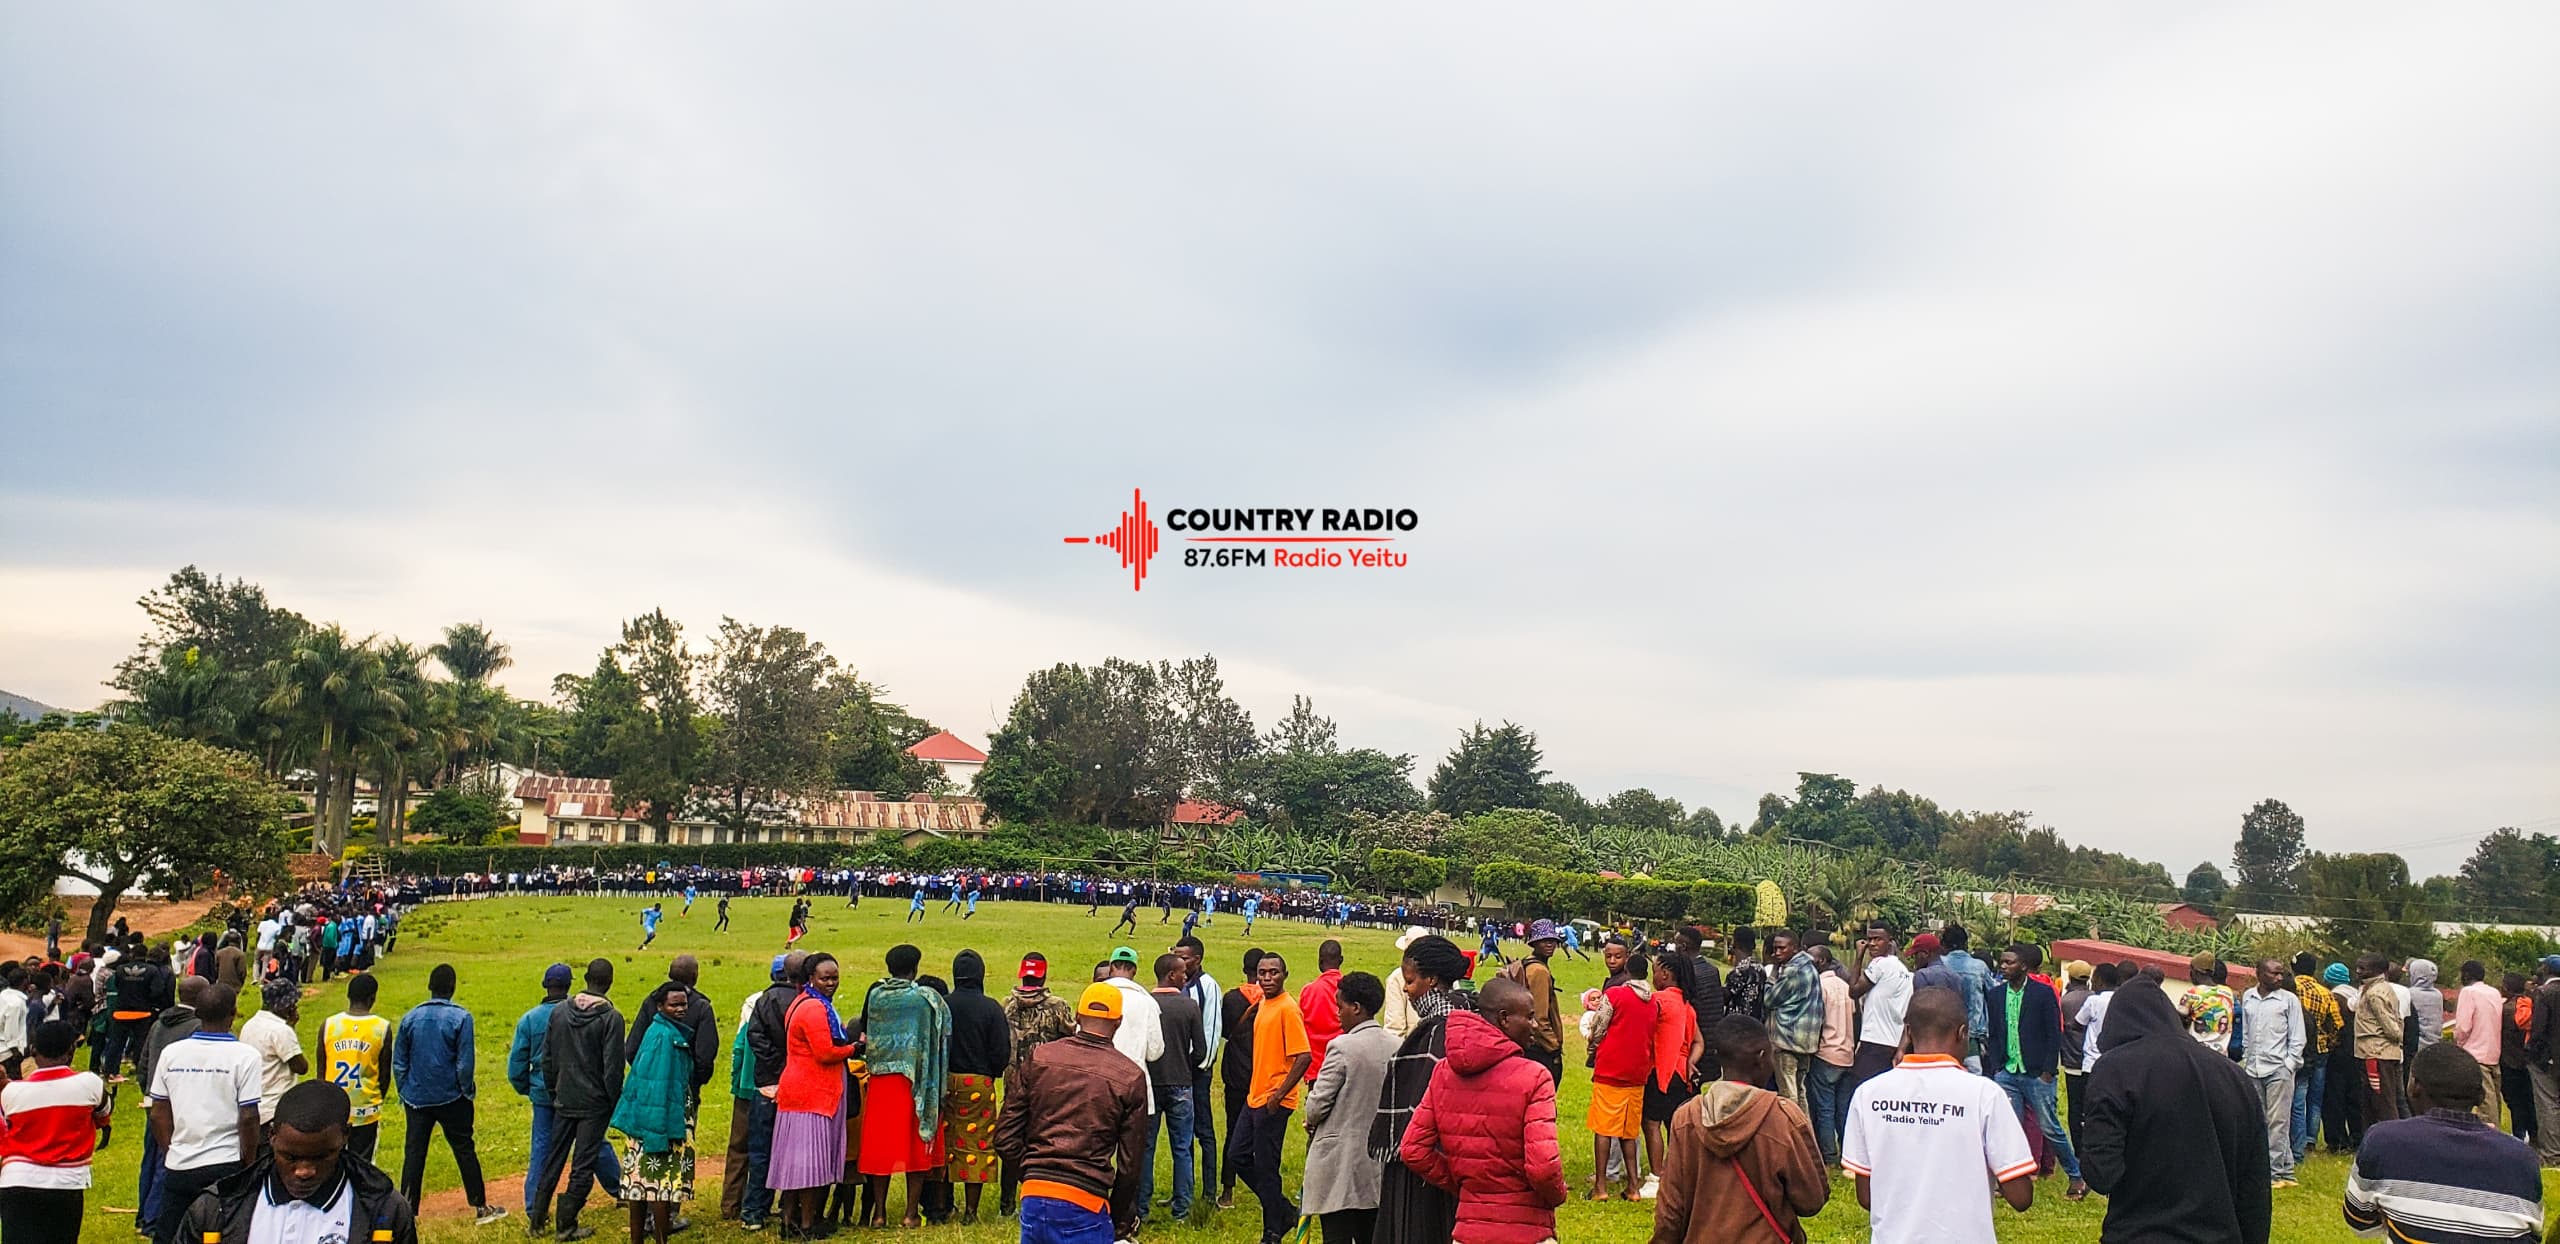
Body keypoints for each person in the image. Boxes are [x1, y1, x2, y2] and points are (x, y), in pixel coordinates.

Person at [2080, 976, 2271, 1244]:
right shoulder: (2233, 1075)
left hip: (2140, 1233)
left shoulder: (2115, 1068)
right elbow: (2255, 1185)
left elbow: (2102, 1174)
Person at [1843, 989, 2034, 1244]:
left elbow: (1867, 1197)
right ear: (1962, 1032)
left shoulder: (1868, 1094)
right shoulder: (1984, 1095)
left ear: (1908, 1032)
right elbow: (2020, 1197)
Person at [1399, 977, 1566, 1244]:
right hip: (1527, 1230)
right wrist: (1557, 1195)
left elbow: (1413, 1150)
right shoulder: (1534, 1077)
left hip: (1469, 1231)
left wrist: (1463, 1183)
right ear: (1504, 1018)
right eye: (1530, 1017)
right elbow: (1543, 1167)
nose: (1535, 1025)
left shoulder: (1443, 1071)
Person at [992, 982, 1152, 1244]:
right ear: (1118, 1023)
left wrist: (1034, 1175)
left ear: (1076, 1017)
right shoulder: (1129, 1077)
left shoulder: (1040, 1058)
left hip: (1034, 1197)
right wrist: (1120, 1215)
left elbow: (1005, 1138)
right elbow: (1130, 1164)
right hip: (1086, 1200)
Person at [1648, 1013, 1827, 1244]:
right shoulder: (1783, 1118)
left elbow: (1670, 1212)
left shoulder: (1686, 1119)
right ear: (1762, 1057)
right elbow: (1811, 1200)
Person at [173, 1081, 418, 1244]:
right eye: (290, 1157)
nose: (304, 1171)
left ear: (346, 1136)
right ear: (271, 1136)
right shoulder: (215, 1210)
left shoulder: (386, 1212)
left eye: (322, 1157)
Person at [2344, 1042, 2544, 1243]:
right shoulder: (2522, 1158)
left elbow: (2360, 1223)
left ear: (2414, 1087)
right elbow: (2531, 1234)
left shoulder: (2383, 1141)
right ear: (2481, 1096)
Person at [1372, 935, 1468, 1244]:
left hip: (1424, 1163)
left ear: (1431, 979)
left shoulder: (1438, 1030)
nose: (1406, 988)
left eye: (1411, 981)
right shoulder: (1461, 1020)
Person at [146, 983, 261, 1244]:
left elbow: (158, 1114)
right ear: (233, 1014)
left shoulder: (171, 1054)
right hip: (227, 1164)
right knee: (223, 1232)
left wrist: (170, 1151)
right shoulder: (246, 1056)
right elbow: (249, 1117)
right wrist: (248, 1163)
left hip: (180, 1164)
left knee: (169, 1234)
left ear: (197, 1013)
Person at [513, 962, 626, 1225]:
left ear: (585, 979)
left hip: (563, 1098)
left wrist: (554, 1091)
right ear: (609, 982)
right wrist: (611, 1101)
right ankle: (566, 1224)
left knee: (552, 1159)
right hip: (593, 1103)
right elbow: (613, 1068)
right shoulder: (611, 1018)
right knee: (583, 1165)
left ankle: (537, 1220)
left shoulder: (560, 1012)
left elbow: (548, 1060)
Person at [391, 963, 502, 1224]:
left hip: (416, 1097)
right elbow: (465, 1063)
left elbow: (399, 1061)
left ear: (430, 987)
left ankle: (408, 1210)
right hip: (452, 1096)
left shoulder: (410, 1018)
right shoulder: (461, 1018)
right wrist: (466, 1090)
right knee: (464, 1149)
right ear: (452, 988)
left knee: (414, 1153)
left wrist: (405, 1089)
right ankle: (480, 1206)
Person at [859, 944, 951, 1229]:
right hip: (915, 1081)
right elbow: (942, 1032)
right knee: (915, 1144)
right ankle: (911, 1214)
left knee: (880, 1145)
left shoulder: (875, 995)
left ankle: (879, 1214)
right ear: (914, 969)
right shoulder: (923, 999)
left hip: (881, 1080)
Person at [1302, 971, 1395, 1244]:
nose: (1337, 1013)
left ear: (1356, 1008)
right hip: (1378, 1164)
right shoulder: (1397, 1046)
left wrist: (1310, 1115)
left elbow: (1317, 1107)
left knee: (1336, 1234)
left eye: (1340, 1006)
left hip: (1341, 1162)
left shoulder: (1342, 1047)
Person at [0, 1021, 112, 1242]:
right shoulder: (90, 1084)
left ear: (33, 1051)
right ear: (71, 1050)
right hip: (66, 1183)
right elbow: (103, 1114)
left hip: (16, 1181)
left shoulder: (10, 1092)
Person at [1240, 952, 1311, 1244]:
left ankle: (1272, 1231)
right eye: (1263, 973)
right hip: (1254, 1096)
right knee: (1238, 1155)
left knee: (1267, 1167)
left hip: (1274, 1101)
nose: (1267, 978)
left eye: (1273, 973)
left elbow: (1304, 1056)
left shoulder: (1287, 1008)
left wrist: (1279, 1095)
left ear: (1285, 975)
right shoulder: (1264, 1003)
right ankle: (1283, 1210)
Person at [999, 953, 1077, 1217]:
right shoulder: (1058, 1006)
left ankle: (1007, 1202)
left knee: (1011, 1139)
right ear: (1043, 976)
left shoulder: (1007, 1004)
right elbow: (1071, 1038)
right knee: (1043, 1142)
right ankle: (1041, 1196)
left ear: (1023, 974)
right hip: (1047, 1086)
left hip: (1013, 1083)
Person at [943, 950, 1011, 1224]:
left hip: (947, 1081)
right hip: (979, 1084)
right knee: (977, 1144)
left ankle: (944, 1204)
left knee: (946, 1143)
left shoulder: (944, 1004)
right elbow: (1001, 1051)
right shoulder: (991, 1008)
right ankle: (971, 1210)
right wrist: (991, 1074)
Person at [740, 952, 805, 1231]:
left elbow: (754, 1035)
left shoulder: (763, 1000)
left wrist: (772, 1065)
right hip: (799, 1085)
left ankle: (754, 1211)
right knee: (798, 1150)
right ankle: (793, 1207)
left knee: (761, 1150)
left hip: (766, 1085)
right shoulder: (807, 1003)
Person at [1586, 948, 1656, 1201]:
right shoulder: (1654, 1002)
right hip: (1638, 1072)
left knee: (1603, 1129)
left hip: (1611, 1069)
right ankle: (1634, 1188)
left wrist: (1592, 1049)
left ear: (1627, 971)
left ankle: (1601, 1187)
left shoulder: (1614, 995)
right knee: (1629, 1130)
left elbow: (1599, 1026)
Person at [1143, 953, 1205, 1224]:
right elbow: (1200, 1049)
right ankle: (1182, 1208)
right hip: (1181, 1082)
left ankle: (1141, 1206)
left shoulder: (1146, 1003)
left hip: (1150, 1084)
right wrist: (1186, 1065)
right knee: (1182, 1147)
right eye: (1182, 973)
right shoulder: (1189, 1005)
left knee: (1146, 1147)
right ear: (1171, 975)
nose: (1185, 976)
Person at [2236, 957, 2306, 1189]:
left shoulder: (2289, 1000)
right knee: (2261, 1119)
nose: (2279, 978)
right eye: (2274, 973)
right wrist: (2246, 1057)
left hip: (2278, 1068)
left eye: (2281, 973)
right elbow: (2246, 1031)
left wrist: (2289, 1064)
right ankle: (2286, 1171)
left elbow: (2297, 1037)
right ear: (2260, 974)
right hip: (2254, 1066)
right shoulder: (2249, 997)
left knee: (2278, 1122)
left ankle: (2272, 1172)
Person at [1640, 955, 1699, 1199]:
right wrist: (1690, 1062)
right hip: (1683, 1073)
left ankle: (1656, 1177)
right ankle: (1677, 1175)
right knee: (1674, 1126)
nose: (1652, 977)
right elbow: (1699, 1041)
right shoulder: (1687, 1006)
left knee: (1651, 1123)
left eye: (1655, 972)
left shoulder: (1658, 1000)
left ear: (1665, 974)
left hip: (1661, 1071)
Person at [1173, 936, 1225, 1201]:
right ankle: (1184, 1190)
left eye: (1184, 957)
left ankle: (1209, 1192)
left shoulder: (1208, 986)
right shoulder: (1179, 985)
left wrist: (1201, 1065)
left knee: (1204, 1132)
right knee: (1182, 1133)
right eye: (1176, 955)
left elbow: (1212, 1029)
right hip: (1179, 1071)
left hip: (1198, 1071)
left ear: (1198, 959)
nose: (1179, 961)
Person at [1216, 948, 1265, 1211]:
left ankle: (1227, 1191)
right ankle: (1266, 1190)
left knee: (1233, 1130)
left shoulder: (1232, 999)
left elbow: (1224, 1032)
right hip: (1263, 1073)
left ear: (1243, 968)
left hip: (1236, 1072)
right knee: (1265, 1136)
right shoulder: (1272, 999)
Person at [2288, 952, 2343, 1165]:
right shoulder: (2325, 993)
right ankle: (2310, 1139)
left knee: (2296, 1097)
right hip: (2319, 1049)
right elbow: (2337, 1023)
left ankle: (2294, 1141)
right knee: (2315, 1097)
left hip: (2294, 1047)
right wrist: (2328, 1040)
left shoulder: (2289, 989)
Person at [1806, 946, 1855, 1166]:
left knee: (1825, 1108)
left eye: (1812, 959)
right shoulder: (1846, 987)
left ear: (1823, 960)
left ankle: (1829, 1157)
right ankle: (1848, 1153)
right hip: (1847, 1054)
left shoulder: (1820, 988)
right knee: (1843, 1108)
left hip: (1826, 1054)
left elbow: (1817, 1021)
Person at [1848, 923, 1911, 1096]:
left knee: (1863, 1093)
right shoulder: (1903, 971)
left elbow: (1853, 991)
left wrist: (1859, 957)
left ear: (1889, 942)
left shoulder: (1880, 965)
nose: (1872, 944)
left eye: (1878, 939)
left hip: (1874, 1042)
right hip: (1893, 1043)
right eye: (1869, 939)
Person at [1762, 930, 1821, 1113]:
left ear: (1794, 949)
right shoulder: (1809, 966)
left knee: (1788, 1096)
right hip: (1806, 1041)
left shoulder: (1791, 971)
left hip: (1787, 1040)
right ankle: (1805, 1136)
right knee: (1800, 1093)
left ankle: (1793, 1137)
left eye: (1781, 948)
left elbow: (1769, 999)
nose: (1776, 953)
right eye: (1774, 949)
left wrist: (1771, 974)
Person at [240, 978, 309, 1127]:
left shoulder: (249, 1025)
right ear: (284, 1006)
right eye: (292, 1003)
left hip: (252, 1105)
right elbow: (301, 1067)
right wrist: (291, 1027)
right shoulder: (281, 1031)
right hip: (276, 1107)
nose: (295, 1006)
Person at [2356, 953, 2410, 1129]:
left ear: (2378, 971)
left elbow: (2391, 1027)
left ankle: (2390, 1142)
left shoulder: (2375, 993)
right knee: (2376, 1101)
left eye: (2363, 968)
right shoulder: (2378, 988)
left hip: (2376, 1053)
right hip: (2377, 1053)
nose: (2358, 971)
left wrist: (2396, 1036)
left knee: (2382, 1103)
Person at [2451, 959, 2505, 1128]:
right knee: (2494, 1101)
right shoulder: (2494, 992)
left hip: (2474, 1053)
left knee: (2485, 1107)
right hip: (2493, 1052)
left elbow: (2463, 1027)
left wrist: (2458, 1042)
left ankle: (2489, 1142)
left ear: (2466, 975)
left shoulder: (2468, 992)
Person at [1518, 922, 1566, 1084]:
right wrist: (1553, 1047)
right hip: (1539, 1047)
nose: (1549, 944)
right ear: (1534, 942)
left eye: (1552, 940)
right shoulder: (1538, 971)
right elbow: (1539, 1017)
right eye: (1544, 940)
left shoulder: (1527, 963)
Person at [2496, 972, 2536, 1146]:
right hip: (2529, 1061)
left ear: (2507, 988)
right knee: (2529, 1100)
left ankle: (2519, 1135)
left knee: (2514, 1102)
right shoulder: (2530, 1005)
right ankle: (2534, 1135)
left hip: (2509, 1061)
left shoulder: (2504, 1010)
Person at [2528, 955, 2560, 1166]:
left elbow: (2538, 1029)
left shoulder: (2544, 993)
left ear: (2547, 969)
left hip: (2548, 1059)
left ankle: (2551, 1155)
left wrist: (2534, 1054)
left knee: (2548, 1104)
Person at [1300, 940, 1347, 1085]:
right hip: (1345, 1064)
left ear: (1320, 961)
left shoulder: (1309, 991)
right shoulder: (1349, 989)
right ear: (1341, 960)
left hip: (1317, 1068)